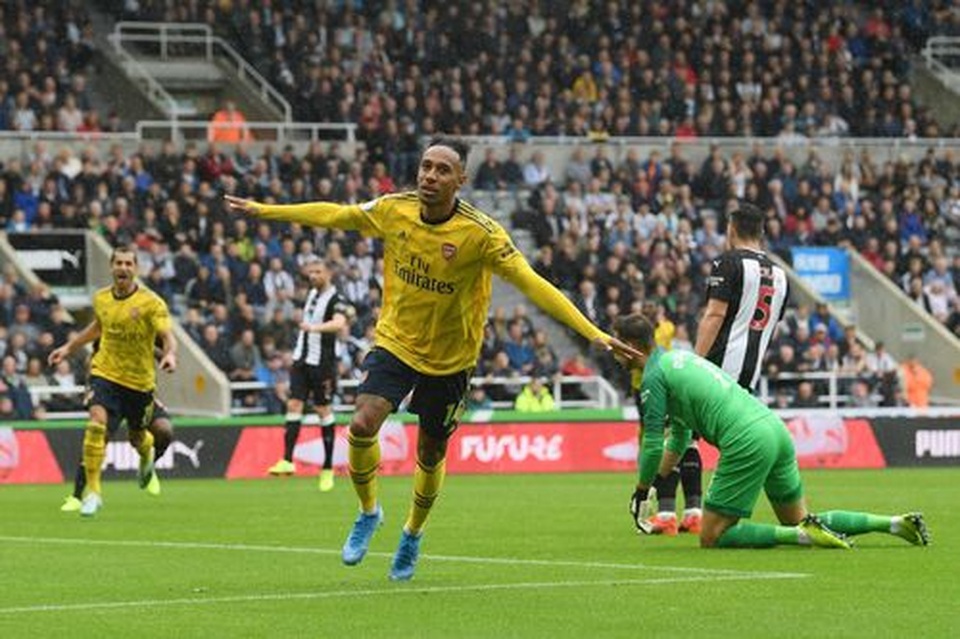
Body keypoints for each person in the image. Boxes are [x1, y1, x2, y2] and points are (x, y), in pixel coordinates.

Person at [225, 135, 631, 581]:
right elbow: (336, 215)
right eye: (426, 166)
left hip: (452, 358)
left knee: (431, 450)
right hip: (396, 341)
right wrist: (267, 211)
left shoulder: (482, 234)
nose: (430, 176)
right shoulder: (393, 209)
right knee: (361, 423)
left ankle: (412, 534)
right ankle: (368, 511)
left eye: (442, 170)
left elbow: (533, 283)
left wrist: (592, 332)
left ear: (462, 179)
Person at [614, 313, 928, 549]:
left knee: (712, 535)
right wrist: (657, 483)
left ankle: (801, 536)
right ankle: (893, 524)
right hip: (774, 429)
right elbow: (679, 438)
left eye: (616, 345)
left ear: (629, 346)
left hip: (746, 439)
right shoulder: (679, 359)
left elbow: (654, 443)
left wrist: (641, 491)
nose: (614, 353)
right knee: (800, 518)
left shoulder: (654, 376)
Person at [643, 202, 791, 537]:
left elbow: (714, 314)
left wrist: (694, 361)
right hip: (746, 376)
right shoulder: (781, 276)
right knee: (697, 437)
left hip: (716, 368)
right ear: (763, 232)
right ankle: (695, 510)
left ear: (731, 230)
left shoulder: (729, 262)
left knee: (678, 432)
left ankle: (666, 513)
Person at [48, 246, 177, 517]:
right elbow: (97, 327)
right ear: (111, 266)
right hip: (105, 373)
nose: (124, 268)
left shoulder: (151, 303)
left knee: (138, 438)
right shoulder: (101, 299)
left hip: (139, 383)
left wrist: (171, 354)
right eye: (119, 263)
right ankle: (92, 494)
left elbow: (166, 335)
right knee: (96, 423)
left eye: (129, 264)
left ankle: (146, 457)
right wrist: (68, 348)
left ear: (136, 269)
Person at [267, 258, 351, 492]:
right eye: (310, 272)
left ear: (328, 274)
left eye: (318, 272)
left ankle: (327, 468)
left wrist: (314, 328)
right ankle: (287, 460)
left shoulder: (337, 299)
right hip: (301, 360)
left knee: (323, 409)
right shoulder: (312, 295)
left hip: (323, 363)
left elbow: (339, 323)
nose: (313, 276)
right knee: (293, 404)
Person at [61, 398, 174, 512]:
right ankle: (77, 496)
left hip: (140, 393)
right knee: (98, 435)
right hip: (115, 393)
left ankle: (149, 466)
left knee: (164, 430)